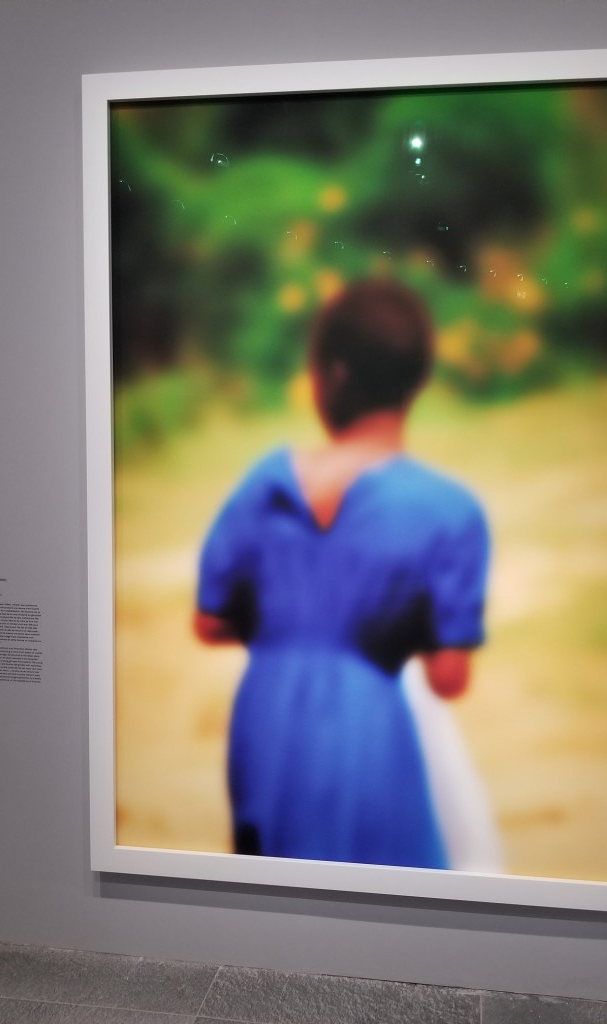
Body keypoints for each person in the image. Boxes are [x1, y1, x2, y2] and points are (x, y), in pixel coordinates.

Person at [194, 279, 491, 869]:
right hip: (369, 723)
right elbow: (448, 677)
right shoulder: (448, 510)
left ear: (331, 375)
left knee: (271, 888)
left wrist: (287, 625)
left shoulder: (264, 482)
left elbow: (208, 622)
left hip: (267, 717)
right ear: (416, 381)